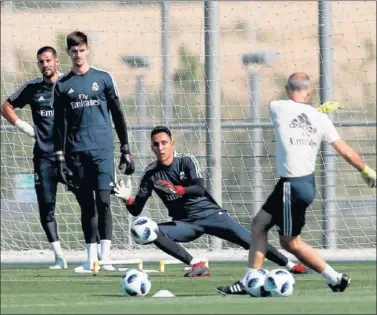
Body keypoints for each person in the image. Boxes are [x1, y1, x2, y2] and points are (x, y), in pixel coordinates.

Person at [217, 72, 376, 295]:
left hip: (292, 186)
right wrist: (366, 170)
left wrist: (315, 111)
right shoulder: (320, 119)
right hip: (299, 184)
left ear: (286, 88)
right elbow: (345, 150)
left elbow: (292, 113)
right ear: (310, 91)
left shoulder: (277, 106)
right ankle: (249, 279)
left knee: (290, 243)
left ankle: (335, 278)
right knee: (259, 224)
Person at [113, 125, 310, 279]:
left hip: (211, 215)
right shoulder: (150, 174)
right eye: (156, 144)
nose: (160, 147)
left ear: (173, 143)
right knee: (151, 231)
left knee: (250, 240)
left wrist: (178, 189)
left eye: (164, 142)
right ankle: (197, 264)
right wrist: (127, 198)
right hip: (186, 223)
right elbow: (136, 210)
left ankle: (290, 265)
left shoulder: (186, 161)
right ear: (152, 147)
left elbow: (199, 188)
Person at [52, 31, 135, 271]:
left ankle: (105, 256)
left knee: (104, 201)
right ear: (68, 53)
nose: (78, 55)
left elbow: (118, 115)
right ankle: (90, 259)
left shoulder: (104, 78)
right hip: (76, 153)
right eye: (74, 51)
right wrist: (60, 159)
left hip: (102, 150)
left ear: (88, 49)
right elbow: (58, 126)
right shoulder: (62, 85)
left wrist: (125, 148)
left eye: (82, 50)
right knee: (87, 205)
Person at [1, 46, 69, 269]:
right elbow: (6, 107)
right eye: (41, 61)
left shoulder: (70, 85)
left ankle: (95, 253)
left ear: (57, 61)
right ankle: (59, 256)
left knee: (89, 201)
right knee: (46, 207)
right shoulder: (32, 88)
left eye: (49, 60)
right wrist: (25, 127)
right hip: (44, 157)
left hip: (71, 156)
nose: (45, 64)